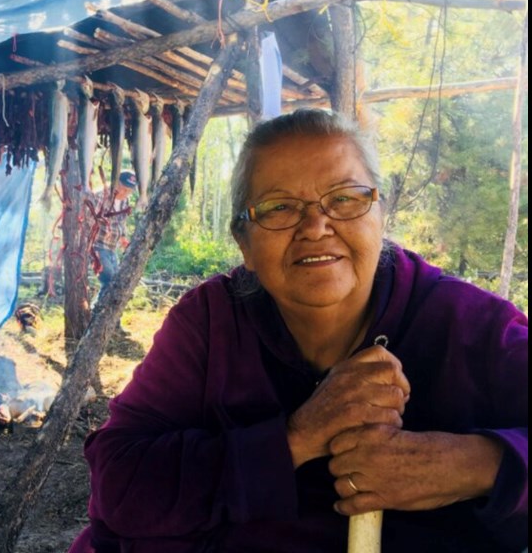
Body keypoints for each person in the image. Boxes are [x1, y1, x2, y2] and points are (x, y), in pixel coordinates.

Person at [70, 109, 528, 552]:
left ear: (380, 215)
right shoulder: (210, 322)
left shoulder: (468, 324)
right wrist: (296, 439)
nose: (315, 226)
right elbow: (119, 484)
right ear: (243, 243)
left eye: (346, 198)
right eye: (279, 207)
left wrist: (477, 465)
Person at [92, 170, 137, 292]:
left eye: (129, 191)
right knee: (109, 278)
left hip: (112, 248)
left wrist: (123, 238)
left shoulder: (125, 201)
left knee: (113, 283)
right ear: (115, 183)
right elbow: (88, 220)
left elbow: (122, 222)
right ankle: (98, 309)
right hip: (97, 246)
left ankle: (97, 309)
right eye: (124, 188)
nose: (125, 193)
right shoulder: (100, 196)